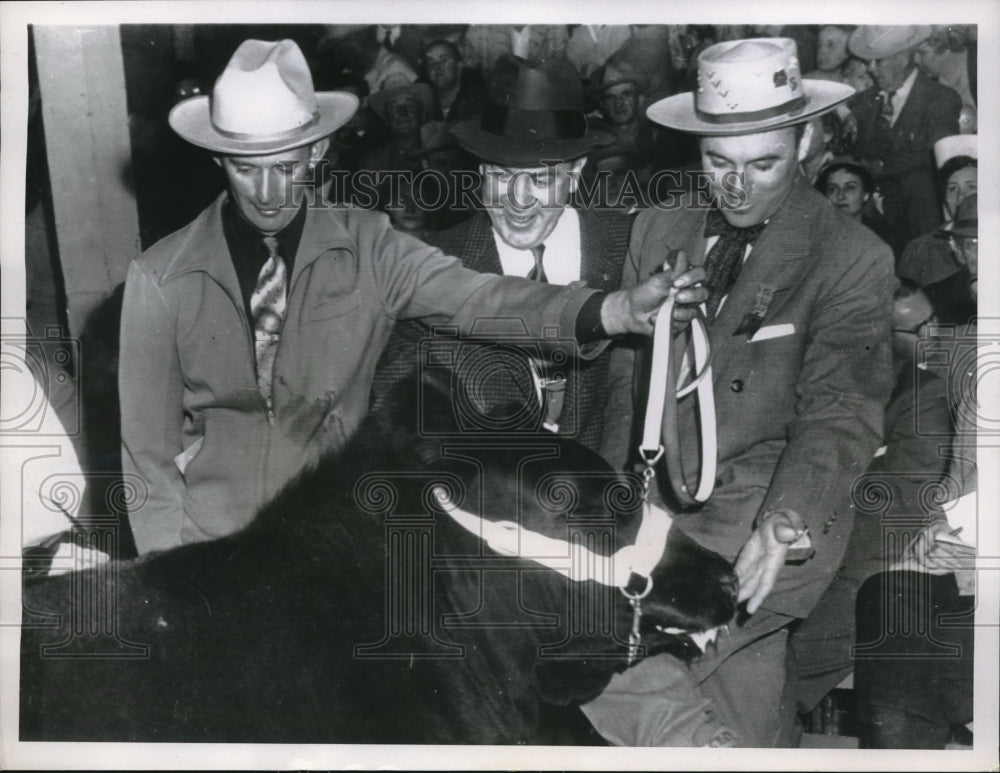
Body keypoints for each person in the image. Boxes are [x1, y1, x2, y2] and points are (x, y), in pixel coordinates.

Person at [118, 39, 700, 554]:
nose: (268, 193)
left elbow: (482, 298)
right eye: (247, 169)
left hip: (336, 546)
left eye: (286, 167)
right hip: (212, 549)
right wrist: (168, 572)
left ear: (318, 154)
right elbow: (146, 455)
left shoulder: (372, 245)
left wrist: (615, 309)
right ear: (218, 158)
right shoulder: (160, 278)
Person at [587, 37, 895, 747]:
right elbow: (622, 384)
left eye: (765, 163)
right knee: (733, 718)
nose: (738, 187)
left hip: (759, 525)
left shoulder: (852, 257)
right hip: (645, 520)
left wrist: (785, 520)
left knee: (625, 677)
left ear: (807, 139)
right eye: (717, 163)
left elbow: (840, 411)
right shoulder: (659, 226)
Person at [371, 58, 630, 452]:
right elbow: (397, 415)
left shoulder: (630, 246)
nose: (518, 201)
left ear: (576, 172)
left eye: (541, 179)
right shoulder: (432, 265)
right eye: (500, 176)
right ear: (478, 169)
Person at [847, 25, 962, 256]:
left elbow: (936, 163)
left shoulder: (940, 99)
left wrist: (879, 167)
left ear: (902, 58)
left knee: (919, 184)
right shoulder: (862, 103)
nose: (871, 70)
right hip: (870, 210)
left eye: (877, 61)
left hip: (917, 212)